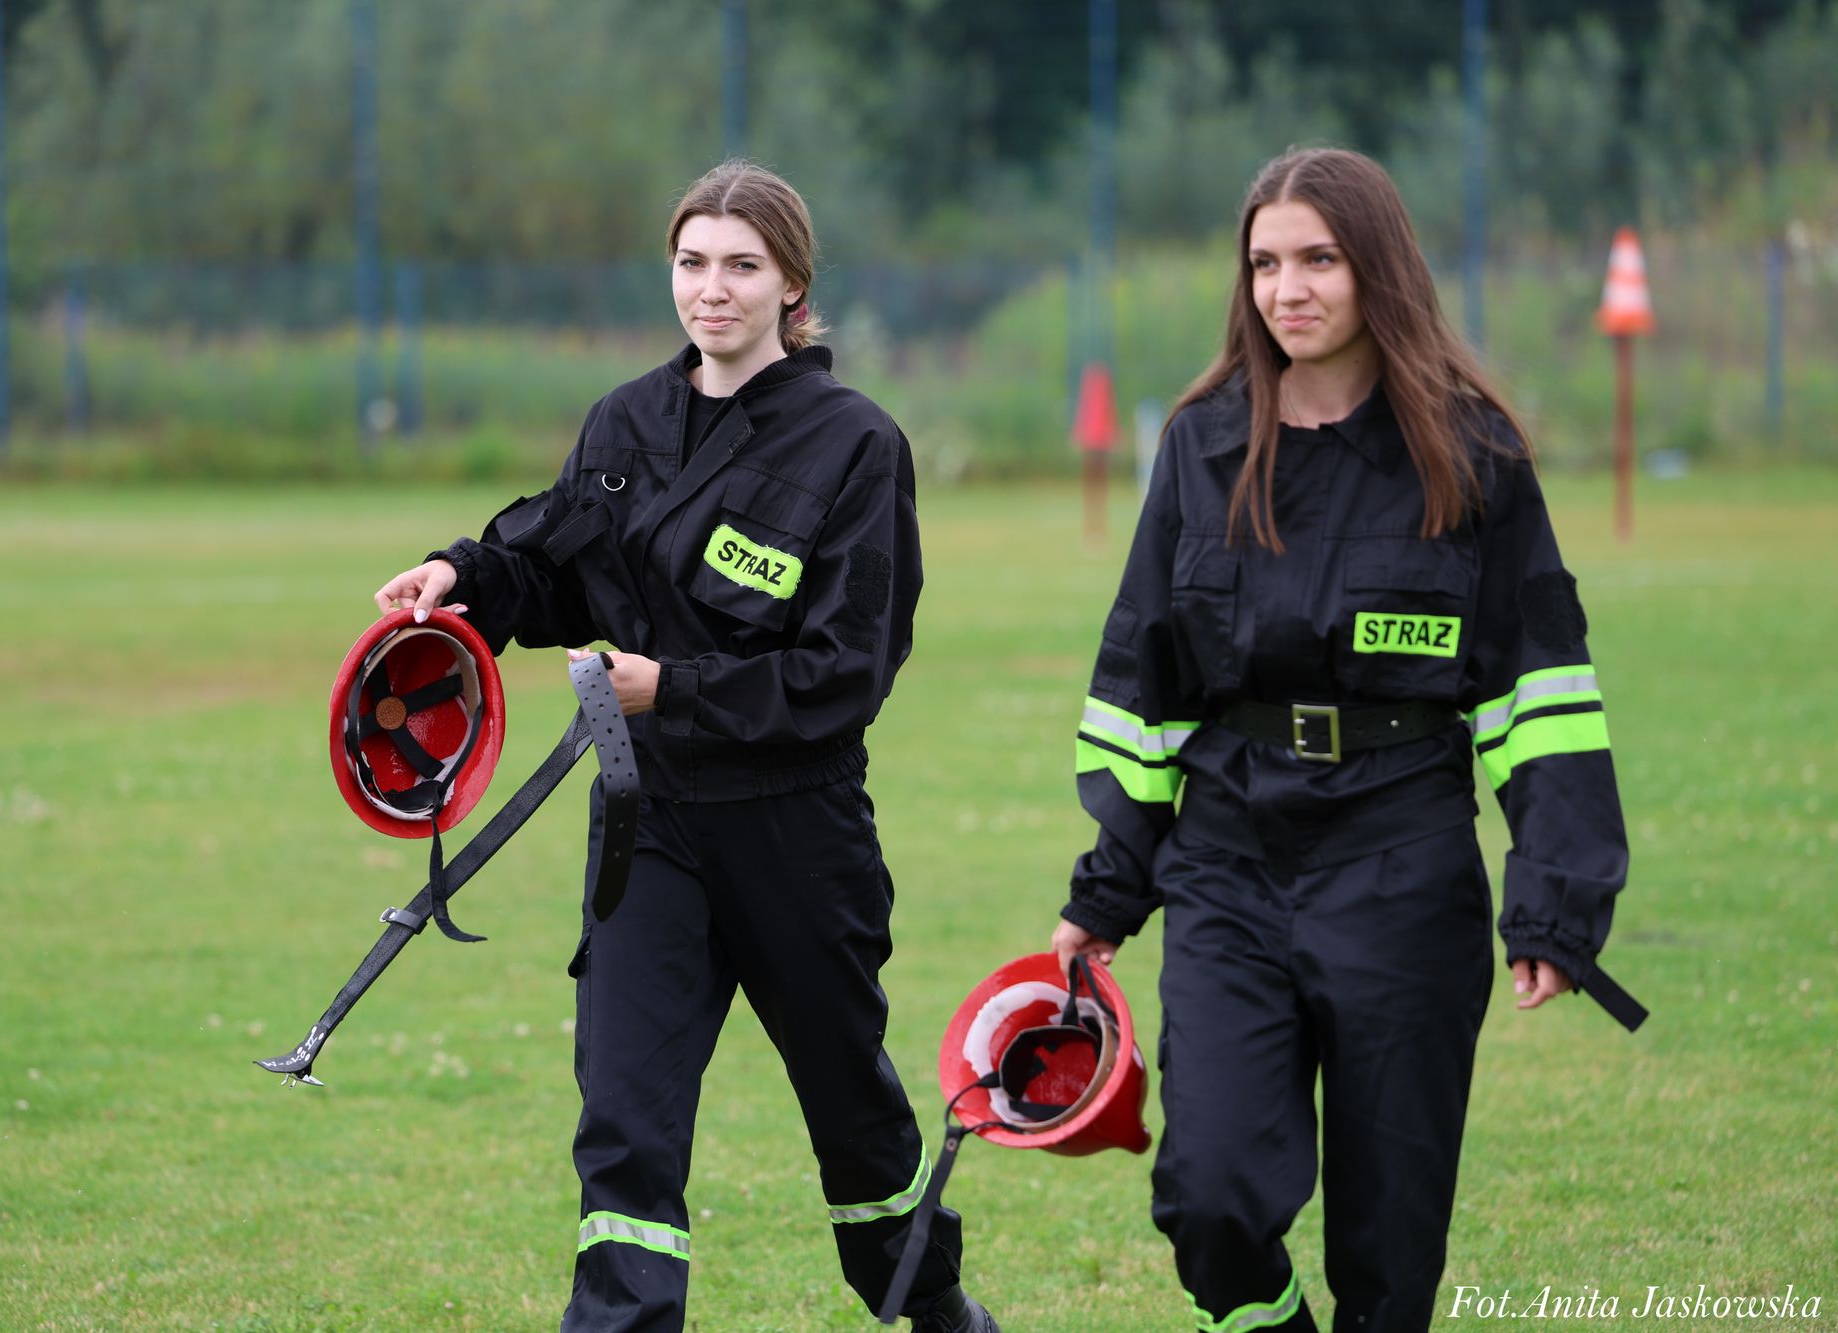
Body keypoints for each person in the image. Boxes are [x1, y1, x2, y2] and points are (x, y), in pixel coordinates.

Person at [374, 161, 997, 1333]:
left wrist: (675, 687)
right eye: (691, 262)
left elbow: (844, 675)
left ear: (791, 284)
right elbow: (554, 563)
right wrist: (459, 578)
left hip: (795, 830)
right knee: (623, 1123)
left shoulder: (853, 444)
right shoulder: (627, 420)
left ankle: (930, 1304)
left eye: (740, 266)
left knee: (856, 1124)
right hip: (647, 824)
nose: (710, 290)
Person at [1051, 147, 1641, 1333]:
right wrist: (1106, 889)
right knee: (1207, 1194)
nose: (1288, 289)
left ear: (1377, 268)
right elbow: (1143, 679)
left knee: (1388, 1247)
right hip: (1227, 860)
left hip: (1401, 859)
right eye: (1264, 263)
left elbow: (1539, 689)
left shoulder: (1471, 455)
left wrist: (1554, 898)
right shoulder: (1199, 444)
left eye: (1318, 259)